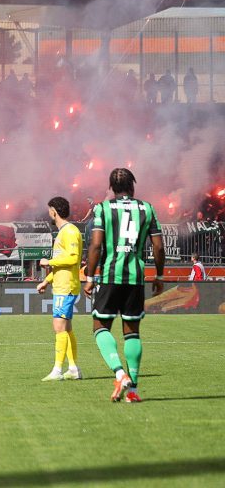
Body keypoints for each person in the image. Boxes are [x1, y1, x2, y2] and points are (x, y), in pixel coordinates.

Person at [83, 167, 164, 403]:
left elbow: (96, 246)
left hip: (110, 276)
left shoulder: (103, 209)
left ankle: (119, 373)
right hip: (135, 278)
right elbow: (158, 247)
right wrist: (159, 276)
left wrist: (89, 277)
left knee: (100, 326)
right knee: (132, 332)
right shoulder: (147, 208)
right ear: (132, 186)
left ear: (111, 188)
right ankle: (133, 392)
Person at [36, 196, 83, 382]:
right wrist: (47, 280)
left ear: (54, 211)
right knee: (67, 328)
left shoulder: (70, 231)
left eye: (49, 210)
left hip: (66, 287)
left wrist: (49, 262)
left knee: (59, 327)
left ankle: (57, 370)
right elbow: (63, 265)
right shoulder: (63, 232)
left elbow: (72, 258)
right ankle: (73, 369)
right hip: (61, 285)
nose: (49, 213)